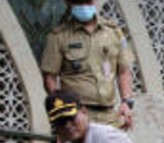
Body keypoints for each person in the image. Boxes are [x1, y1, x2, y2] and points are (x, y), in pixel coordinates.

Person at [40, 0, 136, 130]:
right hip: (77, 114)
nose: (84, 6)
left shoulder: (113, 32)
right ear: (70, 4)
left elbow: (124, 71)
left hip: (109, 115)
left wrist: (126, 103)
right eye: (79, 2)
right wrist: (63, 109)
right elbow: (49, 77)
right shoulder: (58, 36)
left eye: (87, 1)